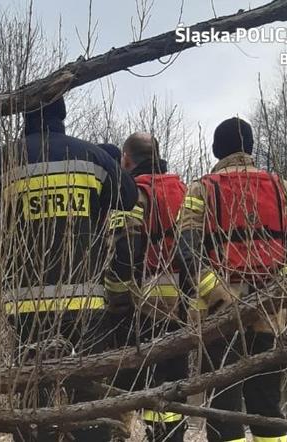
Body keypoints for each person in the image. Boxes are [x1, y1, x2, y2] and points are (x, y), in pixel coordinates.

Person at [0, 97, 137, 442]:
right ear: (62, 116)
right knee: (89, 395)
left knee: (35, 397)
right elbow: (129, 197)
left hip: (25, 305)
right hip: (85, 303)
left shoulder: (4, 160)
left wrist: (7, 274)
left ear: (26, 117)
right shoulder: (90, 155)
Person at [176, 117, 287, 442]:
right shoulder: (280, 186)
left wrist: (217, 293)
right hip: (273, 314)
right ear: (250, 148)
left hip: (220, 317)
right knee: (267, 404)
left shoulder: (202, 188)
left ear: (215, 149)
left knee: (223, 408)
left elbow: (187, 249)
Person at [105, 133, 188, 441]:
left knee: (129, 382)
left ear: (126, 158)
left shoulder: (133, 194)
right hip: (181, 304)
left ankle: (121, 432)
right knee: (173, 386)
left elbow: (124, 251)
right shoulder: (183, 190)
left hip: (143, 302)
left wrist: (118, 300)